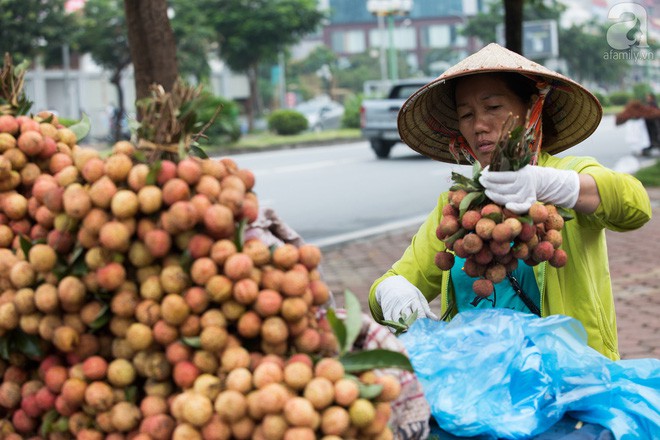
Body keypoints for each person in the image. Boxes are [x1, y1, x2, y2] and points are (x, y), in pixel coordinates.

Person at [368, 43, 652, 361]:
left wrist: (558, 187)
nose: (479, 125)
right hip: (479, 386)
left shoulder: (567, 176)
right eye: (466, 114)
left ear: (531, 108)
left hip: (569, 384)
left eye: (493, 107)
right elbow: (395, 280)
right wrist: (390, 293)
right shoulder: (455, 206)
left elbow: (635, 206)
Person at [641, 92, 660, 157]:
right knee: (653, 137)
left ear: (651, 97)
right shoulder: (648, 104)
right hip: (650, 124)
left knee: (655, 137)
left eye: (648, 97)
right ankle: (653, 145)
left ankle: (653, 146)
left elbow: (655, 113)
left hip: (654, 124)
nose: (647, 98)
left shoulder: (653, 104)